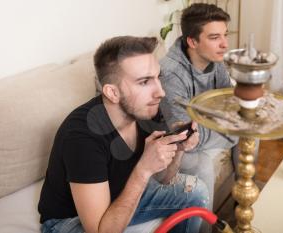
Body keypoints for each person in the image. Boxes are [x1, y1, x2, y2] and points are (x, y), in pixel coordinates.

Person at [37, 36, 210, 233]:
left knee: (196, 193)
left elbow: (164, 178)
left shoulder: (147, 110)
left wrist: (178, 147)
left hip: (118, 196)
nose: (160, 92)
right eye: (145, 82)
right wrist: (143, 170)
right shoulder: (81, 137)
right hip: (70, 221)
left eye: (157, 77)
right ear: (112, 92)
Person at [159, 3, 239, 212]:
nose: (224, 44)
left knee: (249, 131)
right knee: (201, 165)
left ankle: (243, 196)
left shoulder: (214, 60)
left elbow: (229, 103)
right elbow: (183, 136)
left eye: (225, 35)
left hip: (203, 126)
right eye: (214, 38)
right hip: (171, 141)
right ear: (192, 41)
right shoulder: (171, 73)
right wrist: (229, 123)